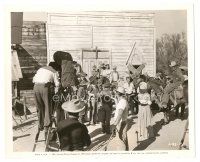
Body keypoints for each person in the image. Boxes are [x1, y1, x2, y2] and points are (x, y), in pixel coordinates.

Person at [33, 62, 60, 139]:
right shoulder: (54, 71)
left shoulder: (41, 69)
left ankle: (40, 124)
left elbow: (34, 79)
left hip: (35, 87)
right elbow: (57, 84)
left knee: (40, 107)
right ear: (55, 67)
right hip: (45, 87)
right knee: (48, 107)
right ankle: (46, 126)